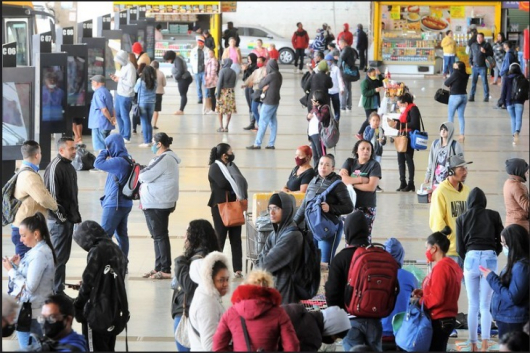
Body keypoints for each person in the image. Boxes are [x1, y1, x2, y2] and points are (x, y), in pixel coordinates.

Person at [325, 211, 380, 351]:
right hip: (375, 319)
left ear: (347, 231)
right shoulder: (376, 255)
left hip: (350, 321)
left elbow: (332, 294)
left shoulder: (341, 258)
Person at [457, 188, 504, 351]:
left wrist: (468, 259)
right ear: (484, 201)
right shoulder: (494, 215)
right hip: (489, 258)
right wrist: (494, 253)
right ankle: (485, 344)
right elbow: (501, 240)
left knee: (473, 304)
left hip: (470, 257)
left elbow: (459, 248)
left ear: (469, 202)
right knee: (485, 305)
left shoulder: (462, 218)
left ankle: (473, 344)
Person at [3, 212, 56, 350]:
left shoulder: (39, 254)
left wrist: (11, 270)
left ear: (36, 234)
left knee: (29, 347)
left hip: (32, 312)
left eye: (23, 235)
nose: (21, 240)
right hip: (30, 310)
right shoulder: (36, 251)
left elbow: (30, 287)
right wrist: (16, 266)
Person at [72, 220, 127, 352]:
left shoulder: (97, 251)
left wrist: (78, 306)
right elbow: (110, 279)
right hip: (113, 310)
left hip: (97, 312)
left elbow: (88, 282)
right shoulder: (117, 249)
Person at [213, 269, 300, 351]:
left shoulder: (231, 312)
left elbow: (218, 346)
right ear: (269, 289)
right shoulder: (279, 313)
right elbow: (292, 346)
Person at [411, 227, 464, 352]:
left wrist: (417, 301)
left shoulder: (441, 268)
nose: (426, 251)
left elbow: (437, 298)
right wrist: (423, 292)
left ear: (434, 248)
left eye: (427, 248)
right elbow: (445, 290)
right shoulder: (452, 265)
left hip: (439, 319)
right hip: (448, 318)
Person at [294, 154, 354, 264]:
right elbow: (304, 205)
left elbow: (349, 207)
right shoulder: (313, 182)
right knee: (312, 263)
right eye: (321, 164)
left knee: (325, 264)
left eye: (327, 165)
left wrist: (330, 208)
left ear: (332, 168)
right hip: (311, 228)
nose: (323, 167)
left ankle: (327, 281)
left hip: (327, 229)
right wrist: (293, 223)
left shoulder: (338, 184)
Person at [172, 219, 220, 351]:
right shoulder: (209, 257)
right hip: (194, 313)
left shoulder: (199, 260)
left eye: (187, 232)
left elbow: (189, 287)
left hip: (187, 314)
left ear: (195, 235)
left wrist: (180, 263)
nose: (184, 236)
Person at [138, 132, 180, 279]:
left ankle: (166, 269)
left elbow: (144, 175)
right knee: (157, 236)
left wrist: (141, 171)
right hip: (156, 201)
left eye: (153, 142)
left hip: (158, 202)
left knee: (160, 236)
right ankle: (159, 267)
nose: (152, 146)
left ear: (159, 144)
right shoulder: (166, 158)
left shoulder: (165, 158)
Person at [43, 137, 81, 295]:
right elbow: (52, 199)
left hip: (68, 220)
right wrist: (63, 218)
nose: (74, 151)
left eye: (74, 148)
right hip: (59, 222)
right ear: (61, 150)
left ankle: (58, 289)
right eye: (71, 149)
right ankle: (54, 292)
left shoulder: (69, 167)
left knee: (62, 258)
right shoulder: (55, 168)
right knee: (57, 258)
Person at [12, 140, 60, 258]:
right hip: (26, 229)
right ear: (37, 155)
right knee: (24, 268)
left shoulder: (24, 170)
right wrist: (56, 207)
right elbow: (43, 199)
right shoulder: (29, 175)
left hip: (25, 226)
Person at [481, 224, 529, 338]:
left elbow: (513, 297)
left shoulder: (522, 266)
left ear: (514, 244)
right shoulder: (516, 263)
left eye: (504, 243)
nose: (503, 247)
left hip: (513, 321)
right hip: (508, 318)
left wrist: (491, 278)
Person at [208, 143, 248, 278]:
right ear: (224, 155)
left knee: (236, 238)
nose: (232, 153)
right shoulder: (215, 167)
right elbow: (223, 183)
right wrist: (235, 182)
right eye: (230, 152)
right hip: (220, 206)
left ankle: (238, 269)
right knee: (220, 237)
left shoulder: (230, 166)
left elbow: (242, 181)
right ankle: (215, 266)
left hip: (234, 205)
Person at [257, 193, 303, 304]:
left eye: (276, 208)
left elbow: (265, 265)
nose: (271, 213)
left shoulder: (293, 236)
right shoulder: (274, 234)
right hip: (274, 292)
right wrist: (266, 257)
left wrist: (266, 256)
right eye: (270, 209)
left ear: (286, 210)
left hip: (287, 296)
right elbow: (258, 263)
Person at [93, 134, 133, 260]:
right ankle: (122, 263)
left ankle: (100, 264)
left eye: (109, 145)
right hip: (124, 203)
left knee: (104, 235)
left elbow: (97, 163)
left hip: (114, 204)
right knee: (122, 235)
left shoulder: (118, 161)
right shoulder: (127, 158)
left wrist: (105, 150)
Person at [429, 155, 472, 267]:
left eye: (466, 168)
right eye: (461, 169)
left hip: (467, 248)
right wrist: (450, 240)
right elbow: (437, 222)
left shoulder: (467, 191)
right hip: (450, 251)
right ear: (451, 171)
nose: (465, 172)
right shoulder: (440, 192)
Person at [188, 251, 230, 351]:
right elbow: (209, 345)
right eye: (221, 280)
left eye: (227, 279)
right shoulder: (207, 302)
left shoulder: (205, 293)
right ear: (209, 279)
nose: (225, 284)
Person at [381, 238, 418, 345]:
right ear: (401, 255)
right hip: (402, 333)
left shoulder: (375, 276)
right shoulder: (410, 277)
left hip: (378, 331)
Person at [340, 140, 382, 234]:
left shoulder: (374, 165)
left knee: (364, 236)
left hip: (367, 206)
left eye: (368, 149)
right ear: (357, 151)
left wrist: (351, 183)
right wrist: (361, 180)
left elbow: (371, 187)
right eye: (362, 148)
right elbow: (342, 180)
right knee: (349, 236)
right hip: (349, 205)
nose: (365, 151)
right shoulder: (349, 162)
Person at [387, 93, 422, 192]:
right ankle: (403, 182)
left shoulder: (413, 109)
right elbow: (404, 121)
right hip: (401, 136)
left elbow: (414, 123)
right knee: (400, 160)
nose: (399, 107)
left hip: (409, 137)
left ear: (406, 103)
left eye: (400, 105)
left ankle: (411, 183)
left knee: (409, 159)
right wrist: (395, 122)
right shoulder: (405, 110)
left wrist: (400, 124)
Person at [246, 59, 283, 150]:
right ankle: (271, 144)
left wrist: (265, 76)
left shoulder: (270, 76)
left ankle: (257, 144)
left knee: (262, 122)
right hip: (275, 101)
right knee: (273, 122)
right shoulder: (279, 75)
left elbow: (260, 85)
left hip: (268, 102)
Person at [282, 304, 350, 352]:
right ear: (333, 329)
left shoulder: (297, 309)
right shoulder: (313, 338)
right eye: (335, 336)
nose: (333, 340)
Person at [424, 122, 465, 191]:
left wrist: (460, 179)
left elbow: (460, 164)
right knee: (436, 200)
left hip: (449, 181)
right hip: (436, 180)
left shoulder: (455, 145)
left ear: (450, 131)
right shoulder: (435, 144)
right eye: (441, 129)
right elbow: (431, 161)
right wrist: (428, 176)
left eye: (445, 130)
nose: (443, 131)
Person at [110, 50, 136, 143]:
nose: (118, 62)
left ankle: (126, 136)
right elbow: (122, 78)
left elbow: (131, 83)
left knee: (125, 115)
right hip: (120, 93)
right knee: (117, 114)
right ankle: (121, 133)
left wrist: (119, 79)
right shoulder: (124, 66)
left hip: (126, 95)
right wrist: (116, 78)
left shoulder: (130, 68)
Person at [87, 75, 115, 153]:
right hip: (106, 124)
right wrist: (112, 119)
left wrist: (110, 119)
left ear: (97, 83)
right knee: (106, 146)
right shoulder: (107, 92)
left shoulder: (98, 93)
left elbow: (104, 109)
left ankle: (102, 163)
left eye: (92, 82)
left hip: (99, 123)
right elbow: (112, 107)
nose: (91, 83)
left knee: (101, 148)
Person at [445, 61, 470, 141]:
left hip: (455, 96)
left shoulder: (456, 74)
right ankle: (462, 135)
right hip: (464, 96)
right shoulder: (465, 74)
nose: (454, 66)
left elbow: (446, 82)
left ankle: (449, 134)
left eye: (455, 65)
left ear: (459, 67)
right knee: (461, 116)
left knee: (450, 116)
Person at [357, 67, 385, 140]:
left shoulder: (374, 80)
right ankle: (360, 132)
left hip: (374, 103)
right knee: (369, 119)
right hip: (368, 104)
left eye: (375, 73)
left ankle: (373, 133)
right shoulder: (365, 82)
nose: (375, 74)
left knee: (374, 118)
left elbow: (381, 83)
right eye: (373, 73)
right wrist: (374, 90)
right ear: (368, 74)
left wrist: (379, 75)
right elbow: (364, 93)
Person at [503, 158, 529, 231]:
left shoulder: (508, 182)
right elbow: (527, 207)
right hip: (519, 227)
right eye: (526, 172)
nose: (528, 174)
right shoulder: (517, 186)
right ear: (519, 172)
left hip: (511, 223)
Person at [134, 65, 157, 148]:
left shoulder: (140, 81)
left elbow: (135, 90)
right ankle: (150, 140)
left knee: (144, 122)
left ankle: (146, 141)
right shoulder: (155, 81)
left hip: (142, 103)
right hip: (152, 103)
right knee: (148, 123)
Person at [163, 50, 193, 115]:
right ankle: (181, 109)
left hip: (183, 79)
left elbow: (181, 71)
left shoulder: (178, 60)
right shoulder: (177, 59)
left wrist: (176, 77)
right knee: (183, 94)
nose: (168, 61)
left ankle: (181, 110)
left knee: (183, 94)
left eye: (168, 60)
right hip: (182, 79)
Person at [242, 56, 267, 131]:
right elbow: (250, 78)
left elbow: (262, 79)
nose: (258, 63)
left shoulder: (265, 70)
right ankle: (260, 123)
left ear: (264, 62)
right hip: (256, 92)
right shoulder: (256, 71)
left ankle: (261, 125)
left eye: (260, 61)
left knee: (262, 110)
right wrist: (245, 84)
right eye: (257, 61)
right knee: (253, 109)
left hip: (262, 92)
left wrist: (253, 82)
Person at [306, 90, 331, 166]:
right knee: (315, 155)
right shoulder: (315, 108)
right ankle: (317, 172)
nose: (312, 100)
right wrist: (308, 116)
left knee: (321, 154)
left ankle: (324, 170)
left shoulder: (325, 108)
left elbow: (320, 118)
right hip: (312, 134)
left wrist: (315, 107)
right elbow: (310, 116)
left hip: (319, 135)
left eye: (313, 98)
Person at [504, 64, 527, 144]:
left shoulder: (506, 78)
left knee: (513, 118)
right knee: (518, 119)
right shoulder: (523, 79)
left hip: (509, 101)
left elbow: (504, 91)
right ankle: (517, 132)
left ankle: (513, 136)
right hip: (519, 101)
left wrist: (503, 102)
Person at [468, 33, 493, 102]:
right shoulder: (473, 45)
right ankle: (471, 96)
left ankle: (486, 96)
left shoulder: (487, 45)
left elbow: (491, 54)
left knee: (484, 82)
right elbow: (470, 55)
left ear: (483, 38)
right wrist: (471, 64)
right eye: (478, 37)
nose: (479, 39)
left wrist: (485, 51)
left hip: (483, 66)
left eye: (480, 37)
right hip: (475, 66)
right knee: (473, 82)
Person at [363, 113, 386, 180]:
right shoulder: (368, 128)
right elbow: (367, 139)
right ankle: (367, 180)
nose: (376, 122)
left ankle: (375, 183)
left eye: (377, 120)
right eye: (374, 120)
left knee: (376, 167)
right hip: (370, 152)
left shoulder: (381, 130)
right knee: (369, 166)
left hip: (378, 152)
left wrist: (382, 141)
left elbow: (384, 141)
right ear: (370, 121)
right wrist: (372, 129)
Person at [215, 58, 237, 132]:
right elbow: (234, 83)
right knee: (229, 110)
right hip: (230, 92)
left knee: (220, 110)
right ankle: (227, 126)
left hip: (223, 92)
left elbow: (219, 83)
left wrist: (217, 95)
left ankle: (221, 127)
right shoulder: (234, 72)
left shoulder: (222, 71)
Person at [338, 37, 358, 111]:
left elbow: (341, 59)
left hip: (345, 72)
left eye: (340, 44)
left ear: (343, 43)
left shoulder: (345, 50)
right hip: (349, 71)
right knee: (348, 88)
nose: (339, 46)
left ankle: (343, 106)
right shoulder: (351, 49)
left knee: (343, 88)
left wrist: (338, 68)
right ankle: (349, 106)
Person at [498, 41, 519, 109]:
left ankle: (504, 103)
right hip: (508, 74)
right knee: (507, 89)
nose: (503, 46)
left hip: (506, 74)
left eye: (504, 45)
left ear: (506, 46)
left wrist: (501, 72)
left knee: (505, 89)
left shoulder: (509, 54)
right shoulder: (510, 53)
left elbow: (507, 65)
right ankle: (503, 102)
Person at [325, 53, 344, 121]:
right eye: (327, 60)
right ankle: (328, 119)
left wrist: (341, 88)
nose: (328, 62)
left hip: (335, 91)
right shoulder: (324, 69)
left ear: (332, 61)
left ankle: (337, 119)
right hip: (327, 91)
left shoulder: (336, 69)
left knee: (336, 106)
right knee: (327, 107)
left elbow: (339, 79)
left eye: (329, 60)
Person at [241, 53, 258, 129]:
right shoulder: (249, 66)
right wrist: (245, 70)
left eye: (250, 59)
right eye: (248, 59)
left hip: (252, 87)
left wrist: (247, 70)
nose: (248, 60)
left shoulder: (256, 67)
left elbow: (252, 76)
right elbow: (244, 78)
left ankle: (253, 122)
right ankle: (251, 122)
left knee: (252, 104)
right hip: (247, 87)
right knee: (249, 105)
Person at [190, 37, 206, 104]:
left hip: (204, 71)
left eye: (201, 44)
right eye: (199, 43)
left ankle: (207, 98)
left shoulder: (206, 50)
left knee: (206, 85)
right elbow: (191, 61)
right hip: (197, 71)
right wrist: (192, 70)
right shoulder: (193, 51)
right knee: (198, 86)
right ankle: (200, 98)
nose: (200, 45)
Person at [151, 60, 166, 130]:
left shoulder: (150, 73)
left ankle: (148, 124)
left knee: (150, 109)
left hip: (150, 93)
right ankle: (154, 124)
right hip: (159, 93)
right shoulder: (161, 73)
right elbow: (164, 84)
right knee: (156, 110)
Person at [204, 48, 219, 115]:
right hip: (209, 79)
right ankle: (211, 108)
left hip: (212, 80)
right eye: (208, 53)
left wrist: (210, 80)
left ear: (213, 53)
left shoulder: (213, 61)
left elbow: (213, 71)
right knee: (210, 94)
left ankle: (213, 109)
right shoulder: (209, 60)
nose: (209, 54)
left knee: (212, 94)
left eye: (211, 53)